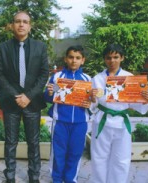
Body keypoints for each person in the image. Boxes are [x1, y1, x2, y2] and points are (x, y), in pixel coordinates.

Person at [0, 11, 49, 183]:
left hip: (32, 103)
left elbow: (43, 74)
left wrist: (28, 96)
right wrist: (16, 95)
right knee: (10, 142)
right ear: (12, 25)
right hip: (11, 102)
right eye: (17, 21)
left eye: (25, 22)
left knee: (33, 142)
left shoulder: (40, 47)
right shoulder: (3, 48)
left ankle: (34, 176)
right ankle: (10, 176)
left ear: (30, 26)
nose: (21, 25)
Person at [90, 44, 148, 183]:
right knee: (99, 157)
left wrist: (145, 100)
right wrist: (91, 98)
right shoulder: (97, 78)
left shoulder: (129, 77)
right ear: (104, 59)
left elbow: (135, 104)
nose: (112, 61)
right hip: (102, 120)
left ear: (122, 58)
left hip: (122, 122)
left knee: (121, 159)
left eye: (116, 57)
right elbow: (92, 105)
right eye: (109, 58)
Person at [44, 45, 91, 183]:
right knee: (58, 153)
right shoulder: (57, 77)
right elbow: (48, 98)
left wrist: (90, 103)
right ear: (66, 59)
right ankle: (57, 179)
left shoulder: (87, 79)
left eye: (77, 58)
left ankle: (71, 179)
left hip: (80, 123)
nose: (74, 61)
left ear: (83, 60)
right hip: (60, 122)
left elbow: (91, 102)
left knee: (75, 153)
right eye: (71, 57)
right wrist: (49, 93)